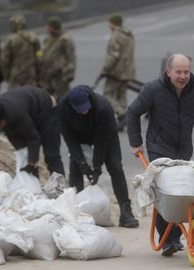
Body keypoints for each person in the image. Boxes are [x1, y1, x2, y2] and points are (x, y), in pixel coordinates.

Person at [126, 53, 194, 255]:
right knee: (165, 190)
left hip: (184, 148)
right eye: (179, 72)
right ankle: (169, 240)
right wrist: (135, 142)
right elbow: (132, 112)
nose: (183, 76)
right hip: (159, 146)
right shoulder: (153, 89)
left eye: (187, 72)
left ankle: (178, 234)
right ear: (168, 72)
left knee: (182, 191)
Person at [57, 85, 139, 228]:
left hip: (105, 134)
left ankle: (126, 212)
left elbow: (102, 142)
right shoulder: (62, 110)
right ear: (71, 105)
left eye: (86, 107)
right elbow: (70, 140)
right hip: (79, 136)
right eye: (80, 108)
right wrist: (83, 164)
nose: (85, 110)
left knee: (115, 166)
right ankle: (77, 211)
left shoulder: (102, 108)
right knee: (76, 168)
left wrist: (96, 168)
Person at [0, 86, 65, 177]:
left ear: (3, 119)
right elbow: (13, 137)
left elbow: (33, 138)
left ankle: (59, 184)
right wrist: (24, 157)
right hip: (29, 113)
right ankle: (33, 185)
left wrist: (31, 163)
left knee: (51, 155)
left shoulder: (16, 114)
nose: (0, 128)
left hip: (46, 110)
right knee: (26, 158)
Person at [99, 14, 135, 131]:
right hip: (127, 69)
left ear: (113, 23)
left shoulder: (115, 35)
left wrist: (105, 69)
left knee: (107, 94)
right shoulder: (128, 34)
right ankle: (123, 121)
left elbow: (113, 56)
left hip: (116, 71)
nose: (109, 25)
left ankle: (122, 115)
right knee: (122, 94)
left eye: (110, 23)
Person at [39, 16, 76, 101]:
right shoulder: (48, 38)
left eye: (48, 26)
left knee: (63, 97)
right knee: (48, 98)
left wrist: (69, 73)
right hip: (48, 73)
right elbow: (43, 51)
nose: (46, 28)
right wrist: (39, 57)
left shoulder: (65, 39)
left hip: (60, 74)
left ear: (53, 27)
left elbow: (71, 57)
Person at [1, 15, 42, 90]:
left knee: (15, 98)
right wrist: (38, 73)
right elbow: (40, 55)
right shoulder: (33, 37)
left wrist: (6, 75)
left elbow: (4, 60)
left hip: (16, 75)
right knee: (31, 96)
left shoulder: (10, 40)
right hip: (31, 74)